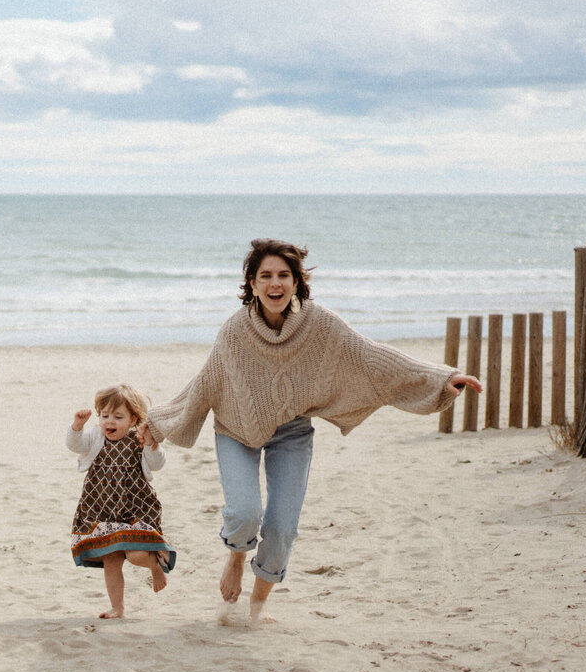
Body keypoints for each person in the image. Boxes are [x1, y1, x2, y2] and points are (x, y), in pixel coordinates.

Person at [137, 239, 482, 623]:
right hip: (236, 430)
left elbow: (372, 357)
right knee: (245, 513)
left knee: (282, 528)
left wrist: (441, 378)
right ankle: (235, 557)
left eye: (284, 275)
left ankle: (255, 608)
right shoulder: (235, 330)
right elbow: (205, 383)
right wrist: (159, 422)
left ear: (297, 281)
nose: (275, 283)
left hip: (291, 433)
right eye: (265, 275)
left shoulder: (321, 324)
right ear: (251, 284)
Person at [67, 384, 176, 619]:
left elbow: (157, 464)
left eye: (118, 417)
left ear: (133, 419)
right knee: (111, 559)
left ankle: (156, 567)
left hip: (135, 507)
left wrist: (151, 445)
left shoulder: (139, 438)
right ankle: (118, 607)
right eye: (104, 416)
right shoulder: (95, 436)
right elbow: (75, 445)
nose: (110, 422)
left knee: (136, 555)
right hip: (102, 508)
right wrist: (77, 426)